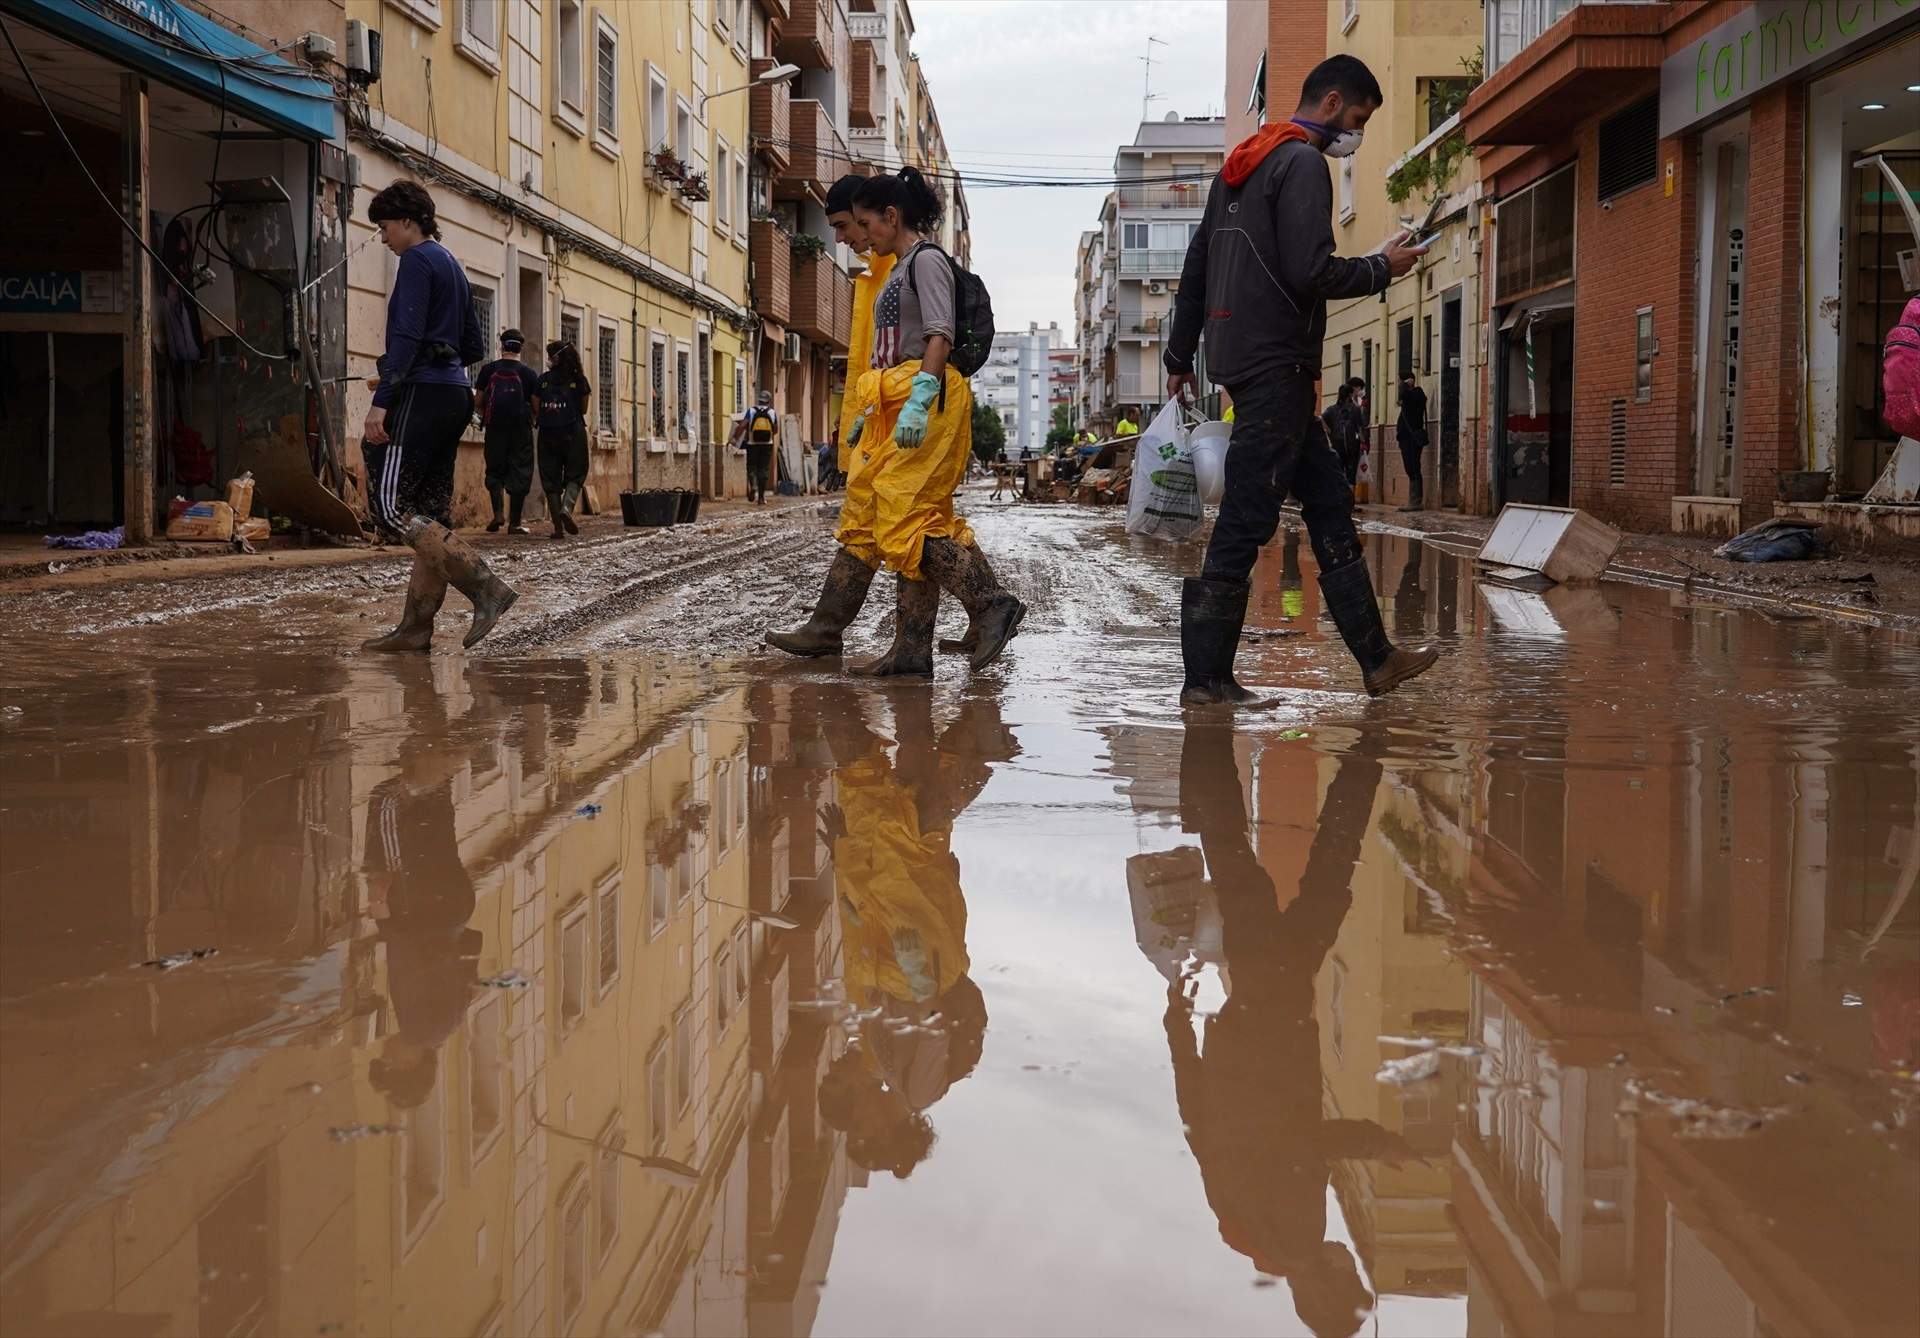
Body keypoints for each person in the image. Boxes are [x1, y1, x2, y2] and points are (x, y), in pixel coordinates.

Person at [1165, 55, 1437, 705]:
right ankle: (1205, 681)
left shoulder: (1242, 166)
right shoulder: (1301, 164)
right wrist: (1382, 266)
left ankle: (1377, 659)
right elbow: (1312, 271)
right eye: (1360, 119)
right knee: (1243, 520)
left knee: (1327, 503)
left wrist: (1180, 356)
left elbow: (1197, 267)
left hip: (1243, 360)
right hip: (1279, 365)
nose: (1357, 136)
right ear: (1333, 102)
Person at [1163, 723, 1410, 1338]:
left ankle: (1348, 759)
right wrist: (1178, 1034)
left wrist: (1377, 1145)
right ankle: (1210, 756)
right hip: (1250, 1020)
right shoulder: (1243, 1231)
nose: (1351, 1263)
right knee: (1253, 871)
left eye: (1351, 1279)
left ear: (1330, 1289)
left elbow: (1304, 1143)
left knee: (1323, 874)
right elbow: (1197, 1126)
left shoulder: (1294, 1237)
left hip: (1273, 1022)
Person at [768, 170, 1020, 676]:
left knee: (903, 518)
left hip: (923, 396)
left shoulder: (925, 261)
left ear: (890, 216)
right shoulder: (898, 267)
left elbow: (939, 334)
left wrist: (919, 397)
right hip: (896, 398)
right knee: (871, 516)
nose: (854, 236)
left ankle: (990, 602)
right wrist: (870, 413)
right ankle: (904, 649)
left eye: (860, 223)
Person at [360, 180, 517, 652]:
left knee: (392, 509)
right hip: (454, 393)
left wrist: (384, 395)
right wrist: (438, 364)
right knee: (428, 514)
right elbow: (472, 342)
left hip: (422, 394)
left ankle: (486, 588)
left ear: (407, 221)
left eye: (385, 227)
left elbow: (405, 336)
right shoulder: (452, 264)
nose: (384, 238)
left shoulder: (415, 261)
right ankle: (416, 627)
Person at [474, 327, 539, 533]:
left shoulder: (488, 370)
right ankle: (515, 523)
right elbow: (536, 404)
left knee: (495, 470)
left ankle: (498, 513)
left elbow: (478, 401)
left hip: (494, 429)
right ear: (520, 348)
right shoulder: (528, 374)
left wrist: (485, 415)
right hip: (520, 430)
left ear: (501, 345)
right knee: (520, 471)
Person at [534, 339, 592, 540]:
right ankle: (567, 508)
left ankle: (558, 529)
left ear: (557, 358)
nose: (549, 360)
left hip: (547, 434)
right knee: (576, 473)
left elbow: (536, 406)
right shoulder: (580, 380)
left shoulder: (542, 380)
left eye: (551, 356)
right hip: (573, 432)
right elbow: (584, 409)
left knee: (551, 480)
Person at [730, 390, 780, 503]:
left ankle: (753, 485)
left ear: (759, 400)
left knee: (751, 466)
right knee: (764, 469)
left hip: (752, 444)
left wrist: (735, 438)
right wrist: (768, 435)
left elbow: (742, 425)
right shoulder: (772, 412)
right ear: (768, 401)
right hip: (767, 445)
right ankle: (761, 498)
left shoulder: (751, 411)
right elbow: (776, 430)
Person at [1396, 372, 1429, 511]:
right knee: (1409, 467)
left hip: (1412, 438)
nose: (1399, 385)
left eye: (1401, 382)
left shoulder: (1417, 393)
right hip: (1405, 438)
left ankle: (1416, 501)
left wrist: (1406, 385)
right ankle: (1412, 500)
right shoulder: (1407, 397)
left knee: (1414, 466)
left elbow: (1409, 396)